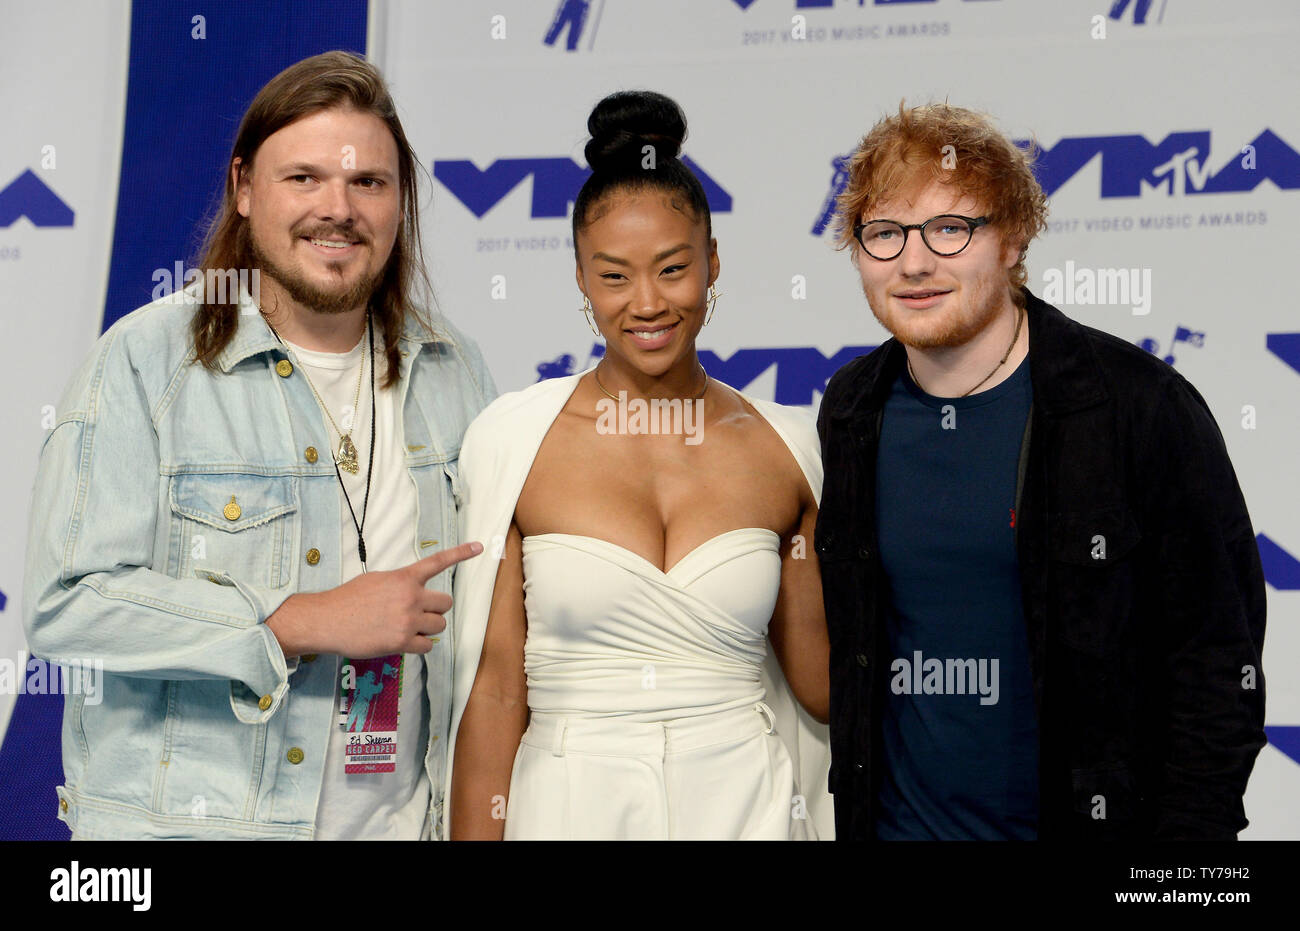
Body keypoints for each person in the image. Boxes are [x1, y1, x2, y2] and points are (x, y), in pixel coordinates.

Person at [22, 51, 496, 839]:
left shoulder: (454, 368)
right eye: (304, 179)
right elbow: (64, 601)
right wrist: (295, 620)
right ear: (245, 189)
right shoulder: (146, 361)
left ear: (400, 199)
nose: (337, 208)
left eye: (368, 183)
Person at [816, 102, 1267, 840]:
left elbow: (1218, 669)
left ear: (1015, 237)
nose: (915, 261)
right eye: (885, 233)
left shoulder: (1136, 406)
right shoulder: (851, 409)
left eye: (951, 228)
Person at [446, 90, 833, 840]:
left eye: (672, 268)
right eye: (614, 276)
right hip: (567, 805)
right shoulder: (515, 441)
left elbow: (821, 684)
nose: (647, 303)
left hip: (747, 803)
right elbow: (494, 693)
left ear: (713, 262)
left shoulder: (785, 446)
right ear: (582, 280)